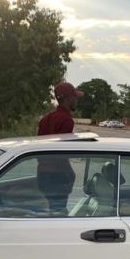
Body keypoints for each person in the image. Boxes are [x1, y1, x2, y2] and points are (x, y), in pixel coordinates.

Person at [36, 82, 84, 215]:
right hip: (57, 176)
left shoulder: (46, 119)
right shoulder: (67, 121)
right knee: (59, 212)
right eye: (75, 98)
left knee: (54, 209)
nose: (76, 101)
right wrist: (70, 174)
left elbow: (39, 149)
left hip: (42, 174)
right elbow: (61, 152)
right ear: (68, 99)